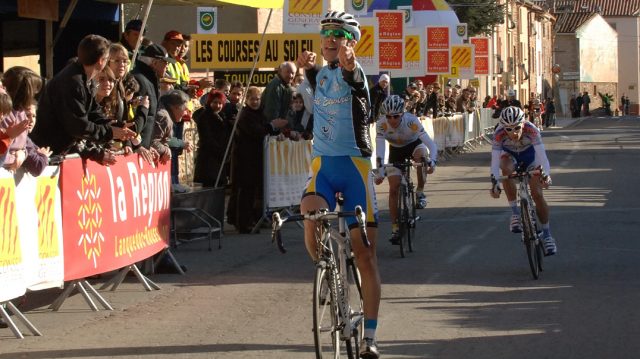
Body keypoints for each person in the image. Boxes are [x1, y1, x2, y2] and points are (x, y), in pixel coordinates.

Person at [296, 10, 381, 358]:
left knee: (365, 254)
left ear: (351, 41)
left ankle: (370, 338)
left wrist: (349, 62)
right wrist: (307, 67)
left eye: (339, 34)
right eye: (326, 33)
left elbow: (352, 75)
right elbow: (320, 76)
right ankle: (328, 272)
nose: (331, 39)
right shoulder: (320, 76)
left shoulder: (355, 74)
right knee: (309, 212)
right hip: (323, 168)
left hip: (355, 169)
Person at [31, 35, 135, 160]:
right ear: (101, 61)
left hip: (57, 150)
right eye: (107, 59)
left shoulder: (84, 77)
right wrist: (109, 132)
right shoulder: (74, 82)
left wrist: (116, 125)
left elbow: (93, 112)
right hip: (48, 151)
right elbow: (79, 126)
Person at [489, 106, 557, 256]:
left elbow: (543, 158)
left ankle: (547, 235)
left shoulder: (532, 130)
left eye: (517, 128)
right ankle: (515, 213)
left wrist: (546, 175)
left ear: (523, 123)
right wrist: (494, 183)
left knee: (537, 193)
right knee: (505, 169)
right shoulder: (499, 134)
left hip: (531, 158)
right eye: (508, 129)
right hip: (511, 157)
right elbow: (494, 163)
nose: (513, 133)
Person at [373, 95, 437, 244]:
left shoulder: (411, 121)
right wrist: (380, 171)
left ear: (402, 114)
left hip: (414, 145)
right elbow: (380, 151)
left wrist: (432, 162)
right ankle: (395, 227)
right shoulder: (381, 124)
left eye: (396, 116)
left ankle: (420, 191)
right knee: (393, 188)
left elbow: (431, 145)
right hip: (396, 151)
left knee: (422, 159)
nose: (392, 120)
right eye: (389, 116)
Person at [228, 86, 270, 233]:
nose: (255, 102)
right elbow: (255, 132)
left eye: (257, 99)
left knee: (250, 192)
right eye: (252, 99)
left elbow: (264, 127)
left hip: (253, 158)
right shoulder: (245, 114)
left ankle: (247, 220)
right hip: (244, 158)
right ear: (246, 100)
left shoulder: (259, 113)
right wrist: (271, 127)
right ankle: (243, 223)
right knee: (244, 192)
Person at [193, 90, 232, 187]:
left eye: (220, 103)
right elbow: (207, 139)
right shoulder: (204, 117)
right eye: (215, 102)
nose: (218, 105)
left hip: (219, 159)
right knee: (209, 188)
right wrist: (221, 152)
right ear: (210, 102)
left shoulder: (222, 117)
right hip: (209, 160)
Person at [261, 61, 296, 131]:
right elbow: (271, 113)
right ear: (280, 71)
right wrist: (276, 131)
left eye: (293, 73)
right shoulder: (275, 86)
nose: (290, 75)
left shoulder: (285, 86)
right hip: (272, 130)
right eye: (288, 72)